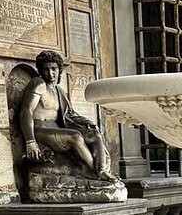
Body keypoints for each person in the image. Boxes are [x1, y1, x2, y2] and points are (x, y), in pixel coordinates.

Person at [18, 50, 115, 181]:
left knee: (94, 134)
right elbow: (26, 111)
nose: (50, 73)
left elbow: (70, 114)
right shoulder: (38, 84)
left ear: (59, 70)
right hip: (39, 130)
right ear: (40, 71)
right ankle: (95, 174)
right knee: (76, 137)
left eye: (54, 69)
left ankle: (102, 170)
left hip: (57, 129)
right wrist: (30, 142)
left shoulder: (59, 91)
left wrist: (89, 124)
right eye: (46, 69)